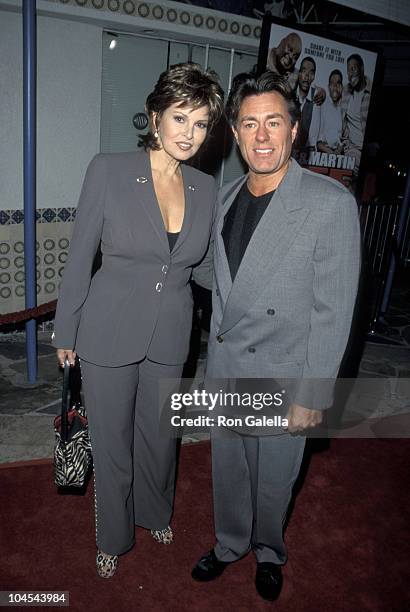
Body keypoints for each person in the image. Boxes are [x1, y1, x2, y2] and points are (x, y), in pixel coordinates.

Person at [191, 72, 360, 601]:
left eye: (274, 122)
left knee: (272, 481)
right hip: (226, 369)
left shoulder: (329, 204)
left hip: (284, 374)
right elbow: (214, 278)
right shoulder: (224, 197)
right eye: (249, 124)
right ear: (236, 136)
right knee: (228, 471)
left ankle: (268, 550)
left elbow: (333, 309)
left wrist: (314, 392)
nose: (261, 136)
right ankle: (228, 543)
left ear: (295, 131)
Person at [52, 62, 224, 578]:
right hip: (106, 330)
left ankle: (154, 512)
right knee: (112, 441)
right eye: (180, 119)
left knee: (159, 438)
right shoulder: (107, 169)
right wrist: (66, 328)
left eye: (200, 124)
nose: (190, 134)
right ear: (155, 117)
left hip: (171, 334)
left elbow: (209, 270)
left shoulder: (206, 189)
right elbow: (81, 254)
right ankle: (113, 536)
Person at [341, 53, 372, 175]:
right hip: (352, 150)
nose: (350, 74)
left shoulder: (370, 93)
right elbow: (330, 91)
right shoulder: (346, 91)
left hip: (366, 151)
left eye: (353, 68)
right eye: (348, 71)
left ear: (362, 68)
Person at [293, 56, 320, 152]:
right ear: (299, 73)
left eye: (311, 72)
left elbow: (313, 136)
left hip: (304, 153)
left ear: (314, 77)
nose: (307, 76)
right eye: (304, 71)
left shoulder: (316, 96)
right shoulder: (290, 91)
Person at [317, 69, 344, 154]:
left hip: (339, 152)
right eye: (332, 83)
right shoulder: (322, 105)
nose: (335, 86)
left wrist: (338, 151)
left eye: (338, 83)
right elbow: (318, 142)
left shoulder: (344, 109)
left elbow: (343, 138)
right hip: (323, 152)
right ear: (328, 86)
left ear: (342, 87)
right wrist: (331, 153)